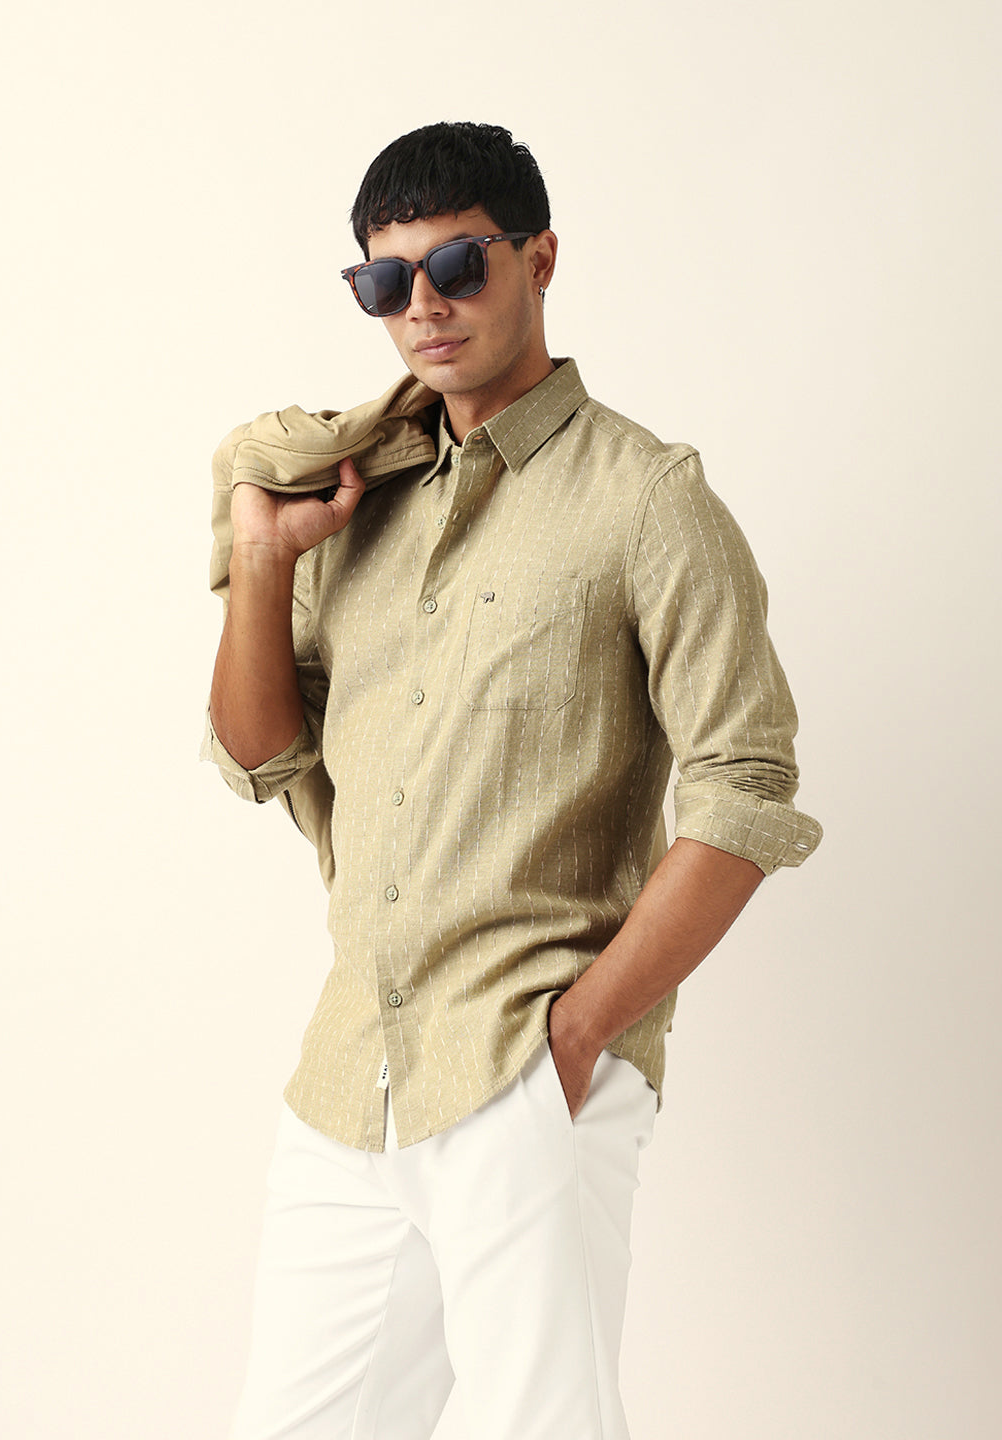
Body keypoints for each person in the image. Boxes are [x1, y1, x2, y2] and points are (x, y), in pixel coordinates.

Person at [203, 121, 822, 1440]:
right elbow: (261, 755)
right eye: (387, 281)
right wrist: (262, 556)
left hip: (528, 1065)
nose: (422, 307)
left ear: (539, 259)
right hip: (354, 1071)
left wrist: (581, 1034)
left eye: (457, 266)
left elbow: (744, 789)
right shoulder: (355, 499)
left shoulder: (649, 500)